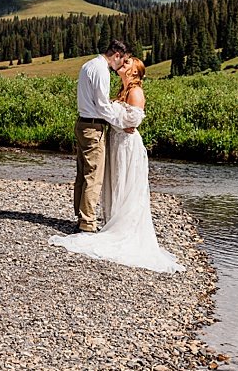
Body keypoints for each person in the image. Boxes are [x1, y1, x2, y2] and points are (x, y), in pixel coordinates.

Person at [50, 57, 184, 272]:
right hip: (116, 141)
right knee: (113, 180)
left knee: (124, 181)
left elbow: (133, 122)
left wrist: (117, 120)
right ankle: (110, 220)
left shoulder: (135, 92)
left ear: (134, 72)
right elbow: (118, 116)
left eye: (128, 63)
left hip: (127, 144)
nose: (123, 64)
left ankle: (121, 226)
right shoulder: (123, 90)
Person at [73, 40, 129, 233]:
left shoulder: (88, 65)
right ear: (116, 55)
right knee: (93, 176)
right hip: (93, 127)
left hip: (82, 123)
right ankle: (87, 223)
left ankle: (80, 215)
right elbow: (102, 106)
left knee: (82, 173)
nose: (122, 66)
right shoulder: (102, 70)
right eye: (123, 61)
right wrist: (122, 123)